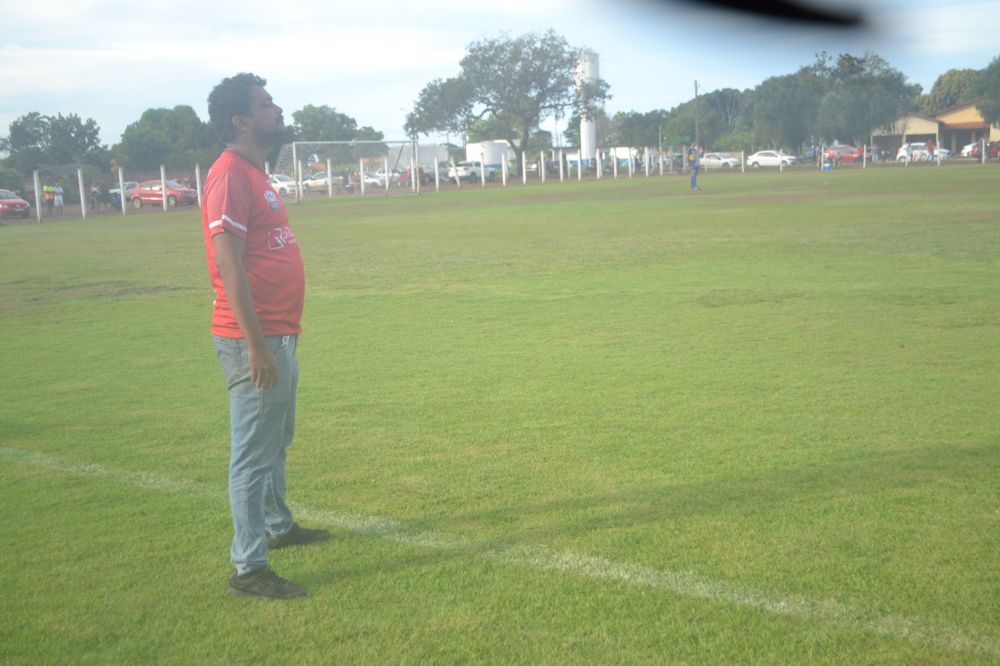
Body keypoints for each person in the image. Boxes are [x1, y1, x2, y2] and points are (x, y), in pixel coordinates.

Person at [202, 72, 329, 600]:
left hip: (279, 334)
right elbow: (227, 264)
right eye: (266, 104)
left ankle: (279, 526)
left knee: (276, 440)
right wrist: (256, 345)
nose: (276, 109)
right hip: (254, 340)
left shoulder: (256, 171)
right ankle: (248, 568)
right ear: (241, 120)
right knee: (252, 456)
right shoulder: (230, 173)